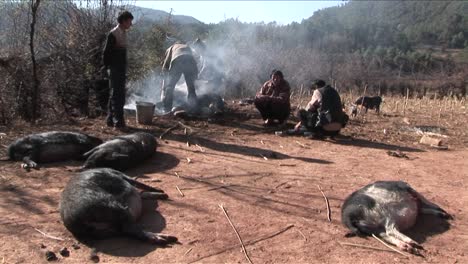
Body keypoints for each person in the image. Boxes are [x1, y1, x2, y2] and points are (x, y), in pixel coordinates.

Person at [102, 11, 133, 129]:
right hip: (115, 68)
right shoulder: (114, 34)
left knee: (115, 94)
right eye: (130, 21)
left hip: (119, 67)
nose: (131, 24)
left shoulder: (123, 33)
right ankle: (118, 122)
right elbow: (106, 53)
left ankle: (110, 120)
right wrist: (107, 68)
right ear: (124, 21)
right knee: (118, 95)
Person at [161, 39, 205, 112]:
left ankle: (167, 109)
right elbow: (193, 61)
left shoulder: (171, 48)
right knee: (191, 88)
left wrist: (165, 80)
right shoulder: (187, 47)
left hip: (178, 60)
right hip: (190, 61)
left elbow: (165, 66)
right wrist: (194, 76)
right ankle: (193, 108)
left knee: (170, 87)